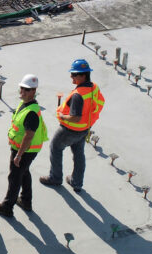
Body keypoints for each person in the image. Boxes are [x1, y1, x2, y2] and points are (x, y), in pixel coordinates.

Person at [41, 59, 106, 192]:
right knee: (78, 154)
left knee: (55, 148)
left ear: (83, 76)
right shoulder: (93, 87)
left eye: (74, 74)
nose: (71, 77)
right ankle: (77, 183)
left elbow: (75, 118)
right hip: (85, 128)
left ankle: (55, 178)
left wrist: (61, 116)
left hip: (70, 130)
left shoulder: (78, 96)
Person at [0, 74, 47, 217]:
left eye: (27, 90)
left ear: (34, 91)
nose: (22, 92)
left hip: (25, 151)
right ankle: (26, 200)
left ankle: (7, 207)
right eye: (22, 89)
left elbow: (29, 136)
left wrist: (19, 155)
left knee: (14, 177)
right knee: (24, 172)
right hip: (24, 150)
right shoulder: (26, 104)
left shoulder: (31, 113)